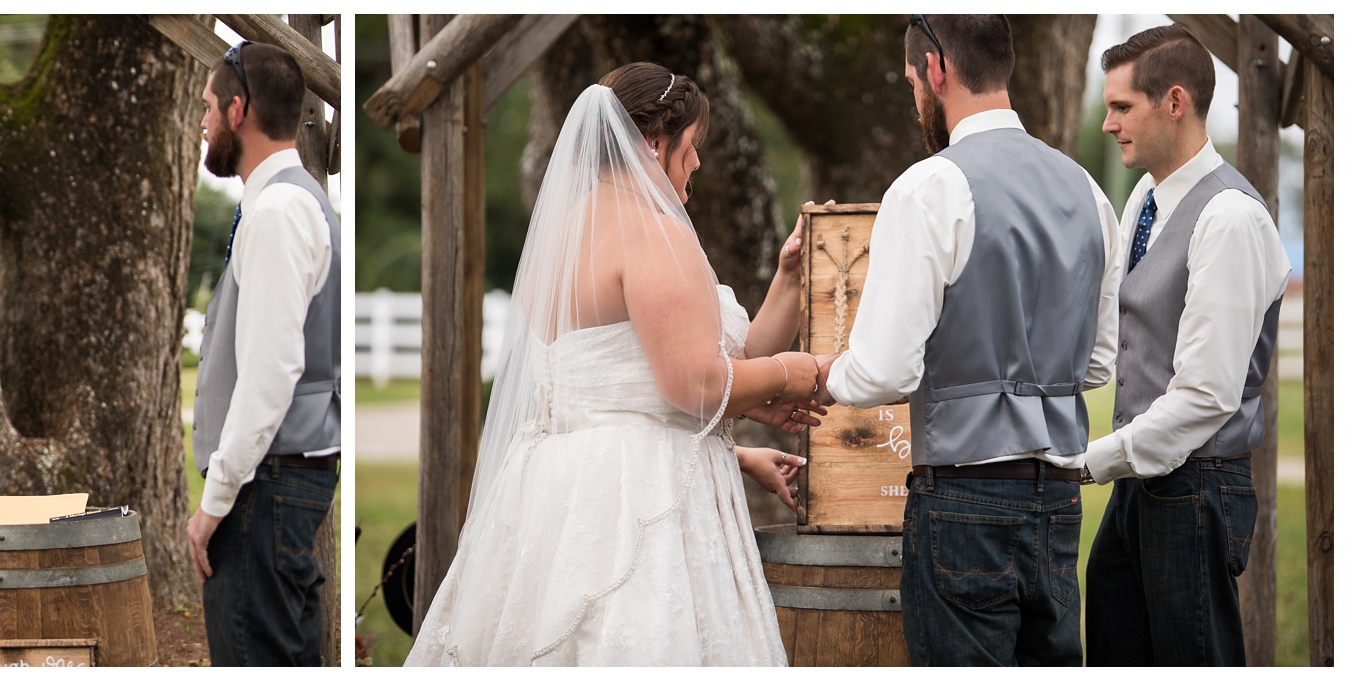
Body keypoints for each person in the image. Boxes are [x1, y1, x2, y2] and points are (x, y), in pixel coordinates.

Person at [405, 62, 822, 666]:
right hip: (638, 499)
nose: (697, 164)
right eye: (693, 146)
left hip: (556, 491)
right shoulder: (652, 233)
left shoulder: (560, 238)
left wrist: (787, 278)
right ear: (655, 144)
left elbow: (627, 391)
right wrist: (797, 371)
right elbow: (697, 384)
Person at [814, 15, 1122, 666]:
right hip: (1061, 498)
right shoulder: (1091, 194)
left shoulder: (930, 188)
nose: (915, 101)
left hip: (963, 501)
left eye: (911, 84)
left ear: (935, 70)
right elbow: (1097, 363)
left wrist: (821, 371)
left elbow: (886, 371)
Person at [1081, 24, 1289, 666]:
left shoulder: (1229, 218)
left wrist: (1094, 458)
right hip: (1144, 479)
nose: (1110, 123)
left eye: (1122, 107)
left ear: (1175, 102)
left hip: (1198, 486)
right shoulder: (1146, 196)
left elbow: (1207, 394)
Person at [185, 40, 341, 667]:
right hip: (282, 483)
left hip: (264, 487)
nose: (201, 121)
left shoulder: (277, 211)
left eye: (206, 106)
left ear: (238, 109)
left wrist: (215, 502)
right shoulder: (294, 202)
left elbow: (270, 373)